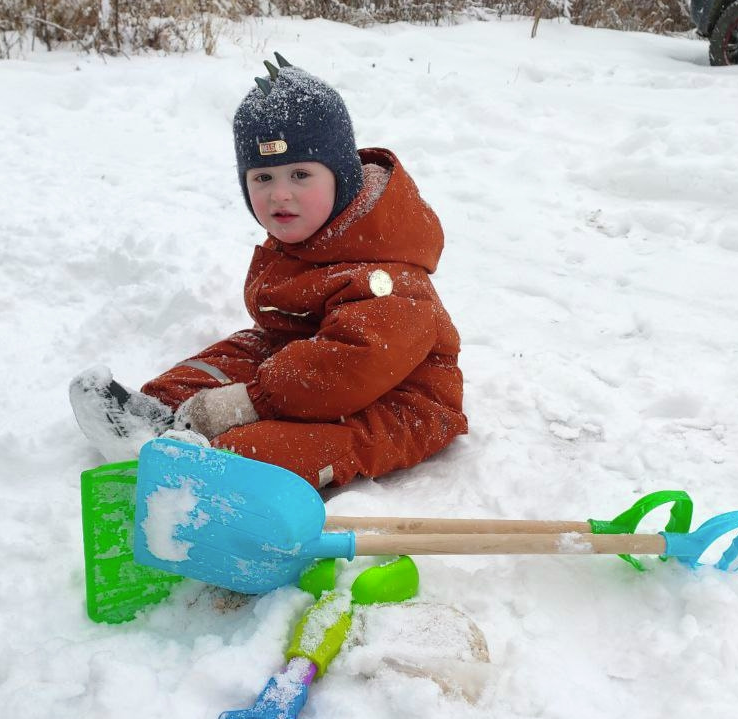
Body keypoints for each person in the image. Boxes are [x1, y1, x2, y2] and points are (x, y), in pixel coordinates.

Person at [69, 53, 466, 489]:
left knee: (263, 448)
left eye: (300, 174)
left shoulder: (388, 276)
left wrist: (251, 402)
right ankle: (154, 416)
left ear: (343, 177)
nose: (281, 195)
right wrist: (227, 391)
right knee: (234, 355)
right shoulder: (317, 230)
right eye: (262, 178)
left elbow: (351, 363)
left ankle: (203, 465)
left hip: (395, 403)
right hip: (306, 360)